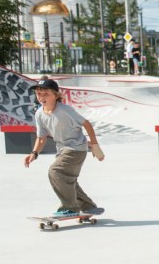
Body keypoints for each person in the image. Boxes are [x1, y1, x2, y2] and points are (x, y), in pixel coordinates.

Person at [24, 78, 105, 216]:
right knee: (67, 178)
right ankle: (88, 205)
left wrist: (95, 145)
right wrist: (34, 153)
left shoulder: (65, 110)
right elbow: (41, 138)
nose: (41, 97)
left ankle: (70, 207)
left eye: (46, 94)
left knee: (55, 173)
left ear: (56, 95)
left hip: (76, 149)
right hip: (62, 150)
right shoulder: (39, 114)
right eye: (39, 94)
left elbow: (86, 124)